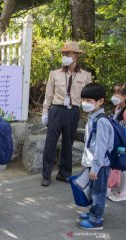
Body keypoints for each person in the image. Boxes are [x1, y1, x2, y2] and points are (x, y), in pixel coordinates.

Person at [41, 41, 92, 187]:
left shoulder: (86, 75)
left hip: (73, 112)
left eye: (68, 53)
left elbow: (88, 96)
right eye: (64, 53)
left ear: (76, 56)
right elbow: (48, 95)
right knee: (50, 143)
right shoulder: (54, 74)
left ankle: (64, 174)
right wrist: (45, 112)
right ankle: (46, 174)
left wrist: (89, 112)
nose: (65, 55)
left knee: (68, 144)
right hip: (56, 111)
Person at [77, 83, 113, 230]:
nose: (85, 103)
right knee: (92, 190)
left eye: (89, 101)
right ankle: (93, 213)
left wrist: (95, 168)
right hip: (94, 163)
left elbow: (101, 148)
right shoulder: (93, 116)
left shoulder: (102, 121)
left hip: (100, 165)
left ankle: (96, 220)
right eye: (84, 100)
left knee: (98, 192)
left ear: (100, 102)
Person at [108, 83, 126, 202]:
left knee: (124, 168)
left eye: (117, 94)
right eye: (113, 93)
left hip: (123, 142)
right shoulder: (117, 108)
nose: (114, 96)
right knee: (118, 166)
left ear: (124, 96)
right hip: (118, 141)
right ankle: (117, 189)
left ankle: (123, 192)